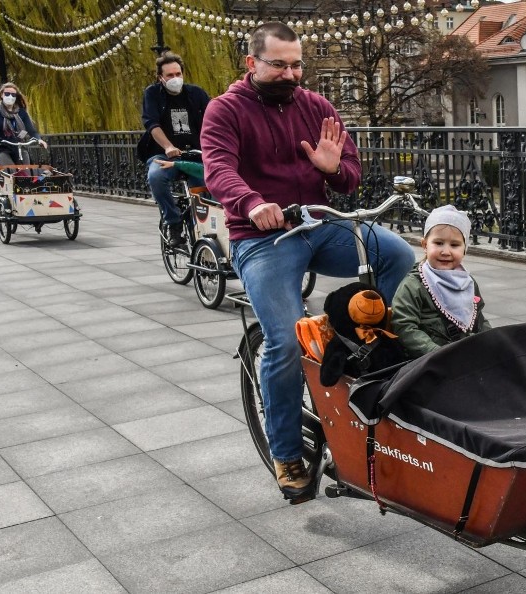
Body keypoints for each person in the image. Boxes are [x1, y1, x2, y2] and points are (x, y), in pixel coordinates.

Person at [201, 22, 415, 503]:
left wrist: (333, 169)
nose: (291, 73)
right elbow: (218, 169)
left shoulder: (316, 106)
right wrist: (252, 202)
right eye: (279, 64)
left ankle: (372, 354)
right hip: (264, 236)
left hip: (320, 224)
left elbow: (350, 179)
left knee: (397, 254)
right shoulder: (225, 110)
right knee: (284, 339)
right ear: (252, 63)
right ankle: (286, 454)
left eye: (297, 64)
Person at [391, 205, 491, 359]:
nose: (446, 251)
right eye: (438, 243)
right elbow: (404, 326)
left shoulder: (468, 282)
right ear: (425, 245)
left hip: (465, 353)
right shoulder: (414, 285)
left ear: (465, 249)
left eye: (455, 245)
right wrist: (435, 352)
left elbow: (479, 318)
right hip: (430, 360)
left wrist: (493, 341)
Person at [141, 51, 209, 247]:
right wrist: (168, 146)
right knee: (156, 177)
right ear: (160, 78)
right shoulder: (152, 94)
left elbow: (212, 120)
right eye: (170, 75)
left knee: (205, 188)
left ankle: (205, 231)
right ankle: (174, 222)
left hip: (194, 155)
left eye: (178, 74)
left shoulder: (196, 94)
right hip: (164, 154)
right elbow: (152, 124)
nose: (175, 79)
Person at [0, 83, 48, 167]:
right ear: (1, 95)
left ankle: (27, 180)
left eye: (13, 95)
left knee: (26, 171)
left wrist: (39, 140)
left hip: (18, 146)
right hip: (1, 147)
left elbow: (31, 131)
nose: (10, 96)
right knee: (10, 169)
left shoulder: (21, 112)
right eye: (7, 94)